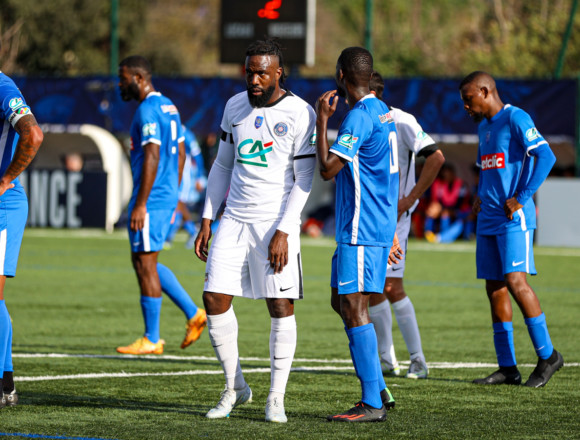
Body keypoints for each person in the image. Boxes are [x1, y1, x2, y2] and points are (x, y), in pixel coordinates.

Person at [194, 38, 316, 423]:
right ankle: (235, 388)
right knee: (214, 298)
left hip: (274, 223)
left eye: (262, 71)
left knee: (279, 306)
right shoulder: (234, 106)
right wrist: (208, 217)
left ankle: (275, 398)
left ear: (279, 72)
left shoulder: (300, 112)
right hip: (234, 220)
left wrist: (285, 229)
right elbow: (223, 165)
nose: (254, 79)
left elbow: (305, 178)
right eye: (249, 71)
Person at [459, 71, 563, 387]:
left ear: (485, 91)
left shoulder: (516, 118)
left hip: (512, 219)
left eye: (468, 99)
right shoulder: (485, 128)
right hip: (488, 218)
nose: (466, 106)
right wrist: (479, 196)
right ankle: (508, 368)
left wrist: (521, 198)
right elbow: (489, 169)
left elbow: (547, 156)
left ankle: (548, 356)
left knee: (516, 282)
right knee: (495, 288)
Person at [316, 47, 402, 423]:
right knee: (340, 301)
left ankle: (372, 402)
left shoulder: (359, 117)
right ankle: (377, 385)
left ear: (340, 75)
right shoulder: (384, 111)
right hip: (369, 224)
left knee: (355, 306)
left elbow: (327, 169)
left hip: (362, 229)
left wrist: (322, 121)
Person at [116, 55, 206, 355]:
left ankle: (152, 338)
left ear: (139, 78)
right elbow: (180, 153)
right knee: (147, 261)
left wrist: (142, 203)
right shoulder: (169, 106)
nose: (120, 84)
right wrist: (173, 189)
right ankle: (194, 314)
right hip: (164, 195)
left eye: (123, 78)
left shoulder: (147, 110)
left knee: (143, 263)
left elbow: (153, 154)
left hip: (151, 198)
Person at [367, 71, 445, 379]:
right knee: (372, 288)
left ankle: (418, 360)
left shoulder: (401, 120)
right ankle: (387, 361)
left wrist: (409, 198)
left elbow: (436, 157)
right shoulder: (358, 121)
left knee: (391, 285)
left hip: (393, 217)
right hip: (368, 216)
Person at [0, 70, 44, 408]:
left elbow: (33, 134)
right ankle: (7, 385)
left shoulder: (3, 87)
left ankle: (4, 386)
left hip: (3, 204)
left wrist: (5, 180)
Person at [164, 125, 207, 250]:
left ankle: (187, 233)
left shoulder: (185, 133)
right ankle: (176, 235)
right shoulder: (167, 130)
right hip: (173, 172)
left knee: (179, 202)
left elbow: (197, 156)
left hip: (185, 174)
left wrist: (199, 177)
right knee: (177, 205)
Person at [424, 162, 472, 244]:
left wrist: (450, 211)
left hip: (461, 210)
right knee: (434, 211)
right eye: (444, 174)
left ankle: (441, 238)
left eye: (447, 173)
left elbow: (461, 203)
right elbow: (437, 201)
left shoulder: (461, 184)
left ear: (453, 173)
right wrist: (438, 209)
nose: (446, 176)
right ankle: (429, 233)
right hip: (445, 210)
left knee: (458, 221)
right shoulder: (440, 184)